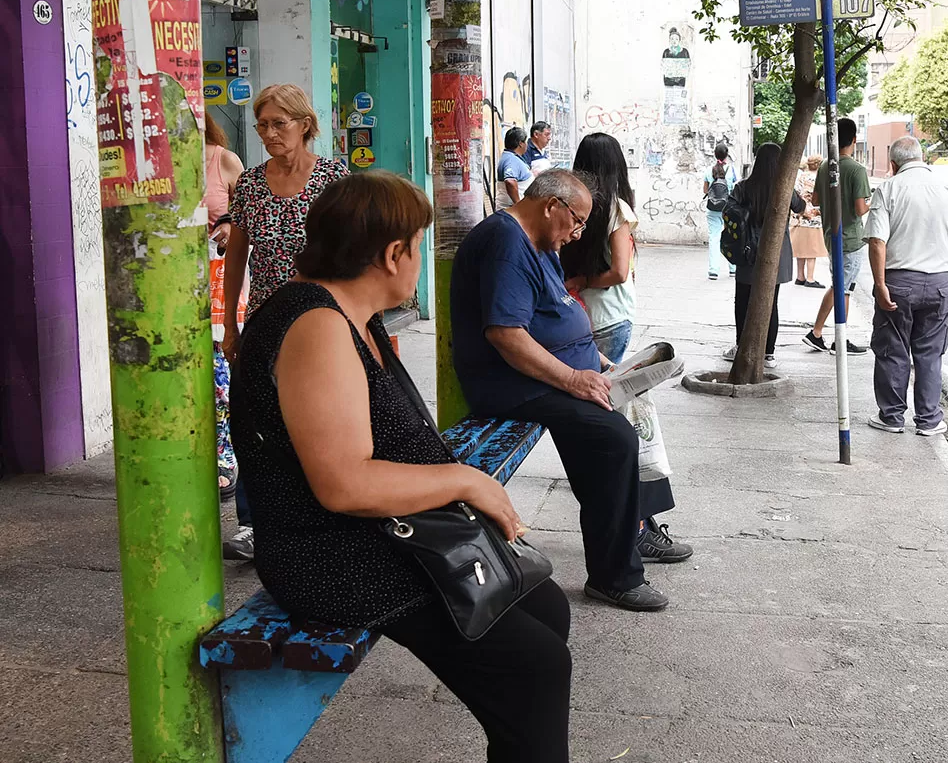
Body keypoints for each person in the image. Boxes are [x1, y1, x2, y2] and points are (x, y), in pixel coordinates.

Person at [231, 170, 571, 762]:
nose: (417, 260)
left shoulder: (348, 317)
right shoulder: (315, 324)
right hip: (331, 551)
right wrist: (467, 480)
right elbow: (344, 483)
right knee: (534, 666)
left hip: (381, 533)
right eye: (417, 245)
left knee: (542, 606)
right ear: (394, 253)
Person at [451, 170, 668, 612]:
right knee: (614, 440)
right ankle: (616, 575)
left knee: (614, 431)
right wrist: (573, 378)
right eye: (577, 221)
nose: (577, 233)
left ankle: (631, 534)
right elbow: (507, 335)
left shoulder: (540, 241)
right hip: (512, 383)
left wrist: (600, 362)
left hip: (548, 375)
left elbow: (558, 312)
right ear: (551, 205)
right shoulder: (506, 243)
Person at [221, 83, 349, 561]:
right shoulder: (253, 183)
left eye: (279, 123)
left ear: (304, 124)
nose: (269, 133)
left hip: (320, 321)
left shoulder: (334, 177)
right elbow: (237, 254)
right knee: (255, 424)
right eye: (262, 125)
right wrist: (233, 324)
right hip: (262, 323)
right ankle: (255, 524)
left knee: (316, 419)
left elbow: (350, 249)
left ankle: (316, 514)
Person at [561, 133, 693, 565]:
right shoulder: (613, 209)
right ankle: (637, 528)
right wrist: (583, 281)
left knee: (617, 425)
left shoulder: (577, 210)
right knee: (617, 429)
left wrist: (577, 282)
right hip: (608, 319)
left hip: (583, 320)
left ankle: (641, 524)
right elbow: (619, 271)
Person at [865, 136, 948, 436]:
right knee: (929, 353)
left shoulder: (888, 189)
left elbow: (877, 241)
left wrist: (880, 284)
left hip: (899, 281)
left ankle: (892, 417)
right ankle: (929, 420)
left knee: (893, 350)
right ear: (922, 159)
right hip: (938, 283)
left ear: (893, 164)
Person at [722, 143, 805, 367]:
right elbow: (801, 207)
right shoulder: (785, 188)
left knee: (743, 301)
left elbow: (728, 211)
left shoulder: (743, 187)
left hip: (748, 252)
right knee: (771, 303)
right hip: (777, 255)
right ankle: (769, 353)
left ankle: (741, 347)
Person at [204, 114, 246, 502]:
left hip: (219, 279)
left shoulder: (223, 160)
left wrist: (230, 227)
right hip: (173, 285)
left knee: (220, 374)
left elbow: (246, 218)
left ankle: (225, 458)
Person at [803, 118, 870, 356]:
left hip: (830, 234)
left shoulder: (825, 166)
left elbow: (816, 200)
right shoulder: (857, 170)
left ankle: (829, 335)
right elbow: (861, 209)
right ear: (854, 139)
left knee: (843, 287)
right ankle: (826, 335)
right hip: (851, 237)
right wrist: (874, 202)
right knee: (843, 288)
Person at [791, 156, 828, 288]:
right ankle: (810, 278)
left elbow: (795, 193)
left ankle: (800, 276)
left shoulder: (801, 177)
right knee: (812, 250)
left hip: (800, 216)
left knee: (801, 248)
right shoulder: (820, 178)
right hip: (814, 218)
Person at [704, 144, 738, 280]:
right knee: (731, 236)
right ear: (726, 155)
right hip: (729, 208)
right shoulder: (732, 170)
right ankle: (733, 268)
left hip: (713, 208)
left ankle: (713, 271)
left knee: (714, 238)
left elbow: (705, 191)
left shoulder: (708, 170)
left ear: (715, 154)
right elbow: (736, 189)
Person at [498, 126, 533, 206]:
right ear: (520, 144)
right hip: (513, 211)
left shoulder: (511, 157)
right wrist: (518, 204)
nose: (526, 145)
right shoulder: (511, 159)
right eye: (525, 142)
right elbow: (510, 181)